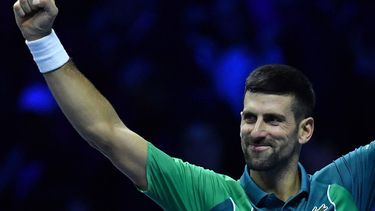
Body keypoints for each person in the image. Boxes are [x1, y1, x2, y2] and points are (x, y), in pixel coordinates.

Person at [13, 0, 375, 210]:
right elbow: (106, 132)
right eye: (249, 118)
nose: (257, 131)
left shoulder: (344, 184)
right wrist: (42, 39)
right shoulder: (210, 196)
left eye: (273, 120)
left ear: (305, 130)